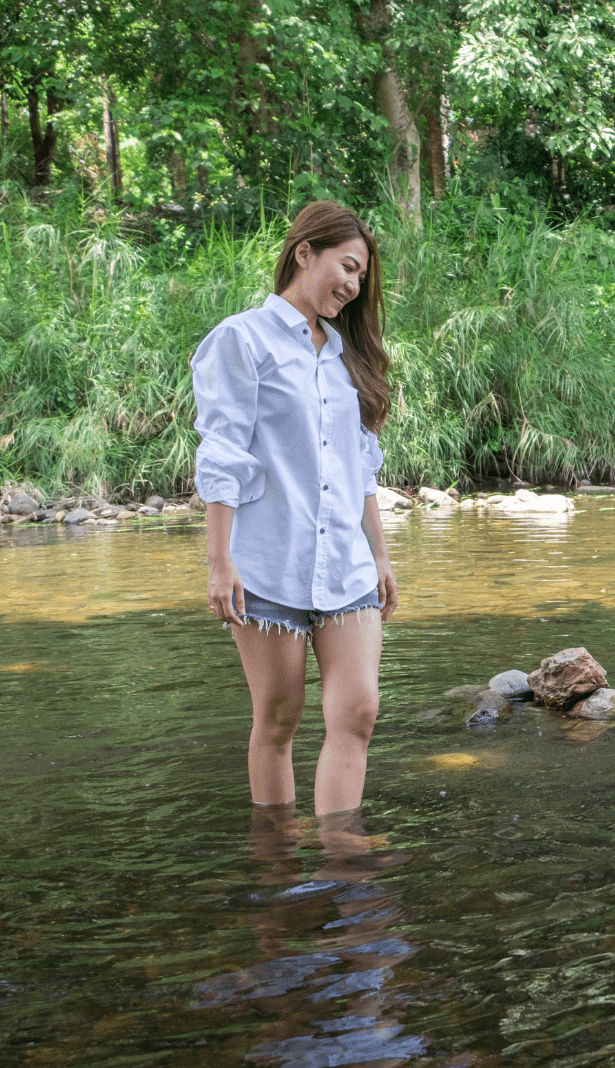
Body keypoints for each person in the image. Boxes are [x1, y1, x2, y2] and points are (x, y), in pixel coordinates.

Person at [190, 200, 399, 819]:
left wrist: (381, 555)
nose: (354, 286)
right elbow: (223, 454)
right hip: (266, 565)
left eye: (361, 277)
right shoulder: (240, 339)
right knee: (279, 721)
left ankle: (342, 859)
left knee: (358, 711)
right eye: (348, 267)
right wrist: (219, 562)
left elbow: (358, 467)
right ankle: (278, 864)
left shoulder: (343, 357)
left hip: (348, 568)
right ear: (305, 251)